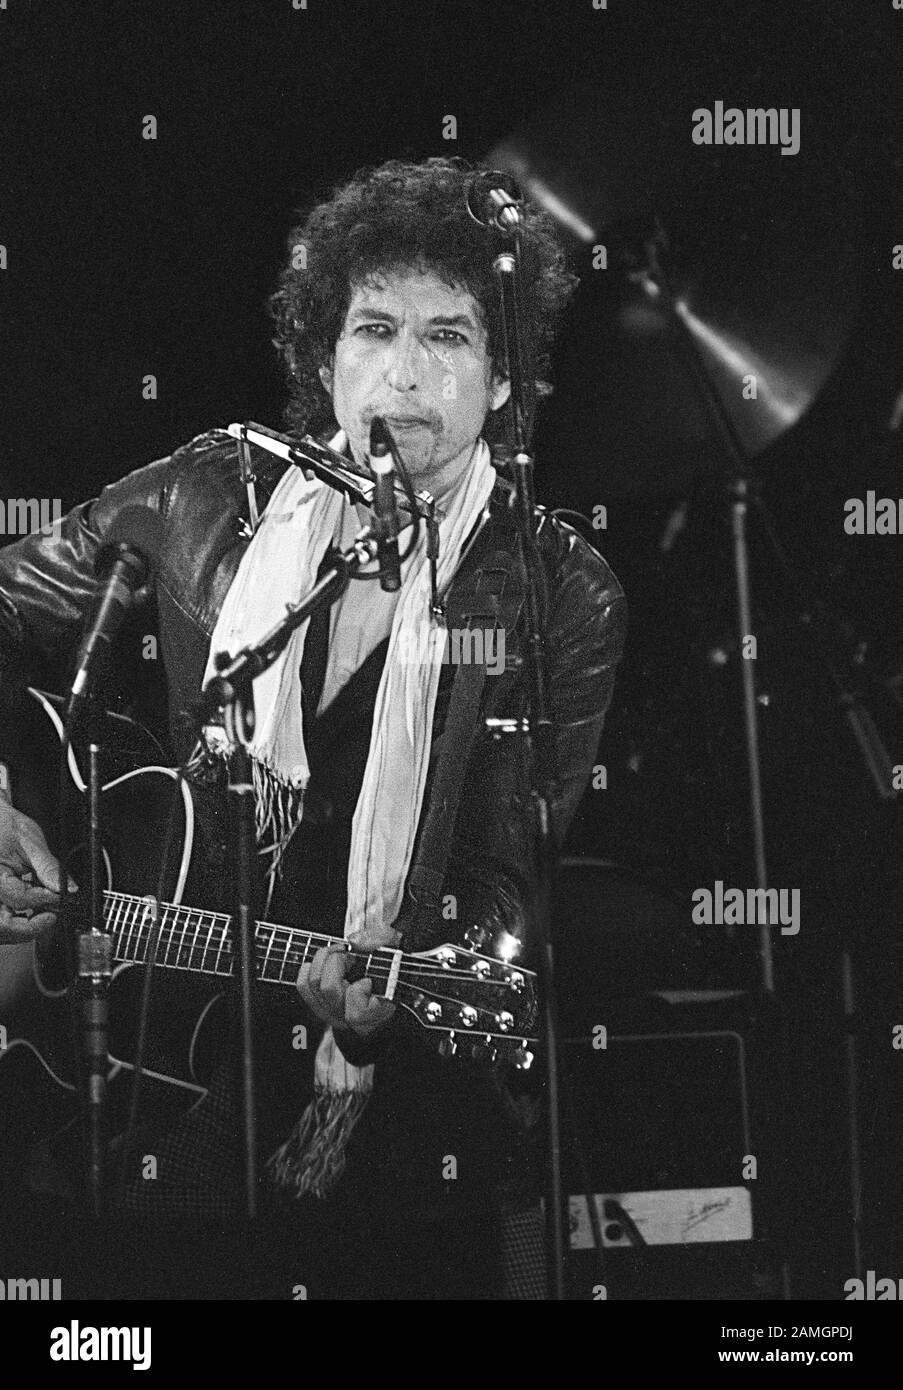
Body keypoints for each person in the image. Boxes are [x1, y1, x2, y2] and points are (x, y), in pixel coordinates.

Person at [0, 156, 626, 1299]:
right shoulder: (210, 496)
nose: (404, 372)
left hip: (409, 1122)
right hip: (165, 1075)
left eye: (449, 338)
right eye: (375, 328)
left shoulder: (555, 591)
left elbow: (503, 880)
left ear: (499, 385)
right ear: (324, 360)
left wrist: (399, 984)